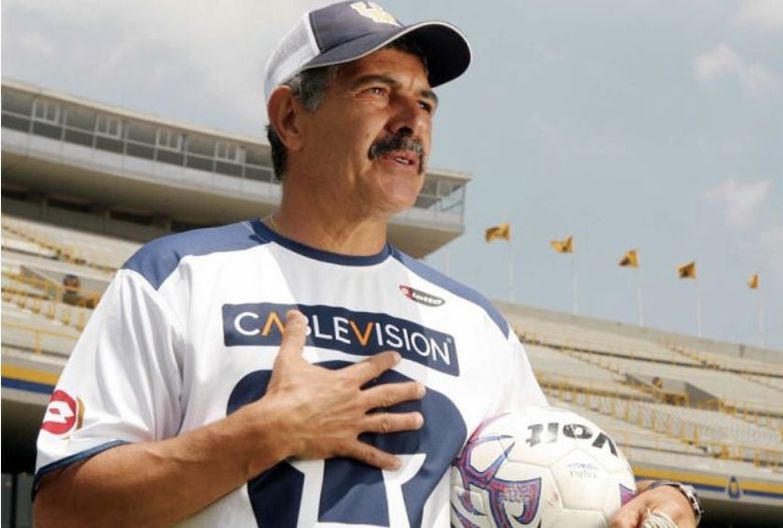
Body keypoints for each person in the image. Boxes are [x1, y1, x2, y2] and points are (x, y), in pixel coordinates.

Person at [33, 2, 700, 527]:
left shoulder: (477, 327)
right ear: (291, 119)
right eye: (379, 90)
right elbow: (63, 509)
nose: (413, 119)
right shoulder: (177, 277)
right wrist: (264, 433)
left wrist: (661, 498)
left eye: (426, 101)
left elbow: (539, 484)